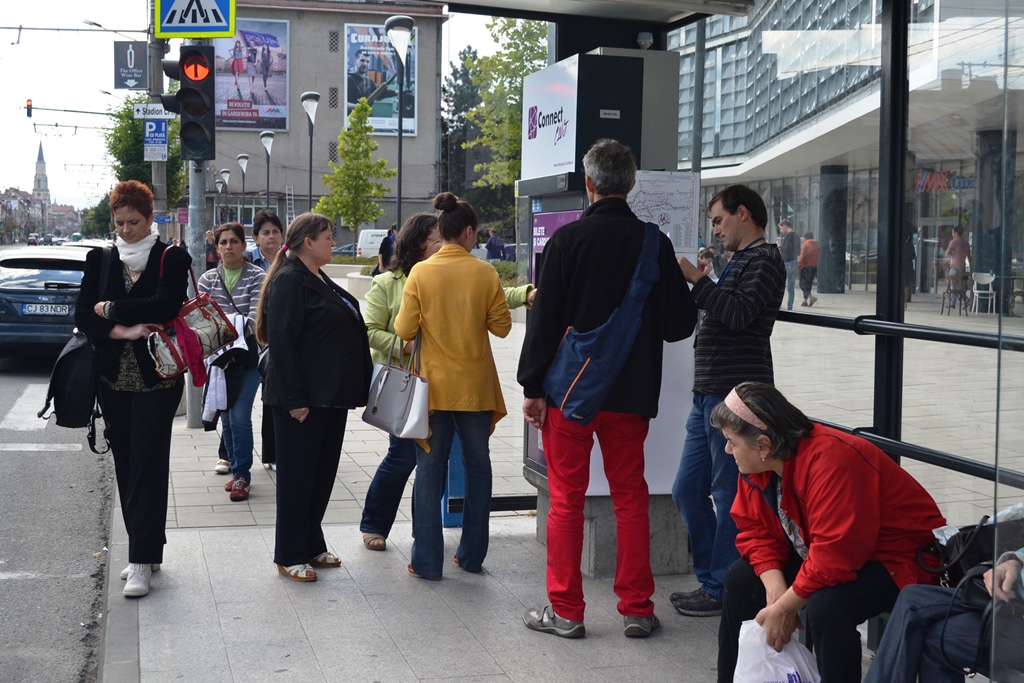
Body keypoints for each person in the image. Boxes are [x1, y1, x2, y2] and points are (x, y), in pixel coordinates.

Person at [518, 138, 699, 640]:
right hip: (631, 396)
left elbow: (544, 321)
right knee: (630, 498)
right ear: (632, 185)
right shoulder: (654, 244)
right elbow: (678, 327)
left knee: (566, 500)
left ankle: (567, 612)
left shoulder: (567, 241)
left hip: (571, 396)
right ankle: (637, 608)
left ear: (589, 183)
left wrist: (533, 386)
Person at [713, 382, 947, 683]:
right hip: (827, 551)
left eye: (731, 442)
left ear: (763, 446)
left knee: (828, 606)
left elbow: (836, 553)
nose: (727, 450)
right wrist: (776, 591)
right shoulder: (758, 466)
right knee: (739, 581)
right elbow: (756, 530)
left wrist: (785, 607)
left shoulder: (831, 459)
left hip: (899, 559)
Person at [360, 214, 534, 551]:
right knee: (403, 459)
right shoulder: (388, 283)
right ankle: (375, 524)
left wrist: (525, 293)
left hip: (441, 388)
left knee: (433, 464)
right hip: (409, 386)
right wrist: (407, 346)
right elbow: (371, 331)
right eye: (437, 240)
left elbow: (489, 294)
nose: (444, 245)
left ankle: (424, 542)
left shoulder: (453, 272)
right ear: (419, 243)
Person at [671, 184, 786, 617]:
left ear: (743, 213)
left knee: (725, 490)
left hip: (735, 397)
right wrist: (710, 281)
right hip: (710, 395)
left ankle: (720, 587)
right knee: (687, 488)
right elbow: (730, 306)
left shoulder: (765, 260)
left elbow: (738, 314)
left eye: (719, 220)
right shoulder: (740, 261)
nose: (715, 230)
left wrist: (698, 280)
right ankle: (712, 580)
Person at [75, 180, 190, 598]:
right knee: (125, 464)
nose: (125, 230)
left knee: (148, 463)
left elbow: (165, 305)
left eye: (134, 222)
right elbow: (83, 315)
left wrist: (110, 308)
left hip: (159, 378)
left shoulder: (171, 257)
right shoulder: (101, 259)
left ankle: (140, 559)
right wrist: (122, 328)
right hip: (112, 379)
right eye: (120, 222)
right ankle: (148, 548)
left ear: (150, 218)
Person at [393, 192, 511, 580]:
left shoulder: (421, 273)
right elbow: (502, 327)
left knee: (429, 471)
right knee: (478, 468)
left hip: (432, 391)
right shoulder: (485, 272)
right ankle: (472, 556)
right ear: (469, 232)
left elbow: (404, 329)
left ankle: (427, 562)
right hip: (475, 389)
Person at [256, 213, 372, 582]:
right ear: (308, 242)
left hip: (330, 396)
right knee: (297, 479)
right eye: (328, 236)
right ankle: (290, 553)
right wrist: (295, 399)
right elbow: (283, 342)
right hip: (301, 400)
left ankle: (311, 541)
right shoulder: (290, 279)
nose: (333, 242)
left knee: (320, 476)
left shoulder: (317, 276)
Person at [863, 548, 1024, 683]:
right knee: (912, 599)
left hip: (1015, 613)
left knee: (930, 630)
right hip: (1011, 598)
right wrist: (1013, 562)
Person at [198, 222, 266, 502]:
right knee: (225, 415)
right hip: (218, 360)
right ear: (217, 248)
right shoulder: (207, 280)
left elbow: (254, 318)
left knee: (239, 415)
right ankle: (237, 467)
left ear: (244, 245)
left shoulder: (257, 276)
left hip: (248, 356)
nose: (228, 247)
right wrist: (222, 343)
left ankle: (242, 475)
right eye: (223, 242)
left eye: (234, 241)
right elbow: (203, 320)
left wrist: (230, 337)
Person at [247, 210, 284, 471]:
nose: (271, 237)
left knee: (272, 397)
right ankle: (228, 453)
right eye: (265, 232)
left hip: (279, 337)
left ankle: (272, 453)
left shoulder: (290, 260)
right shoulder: (247, 260)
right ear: (256, 237)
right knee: (240, 400)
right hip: (251, 337)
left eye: (275, 232)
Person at [347, 48, 396, 113]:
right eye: (362, 60)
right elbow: (341, 102)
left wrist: (398, 92)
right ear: (355, 61)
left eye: (367, 61)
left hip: (364, 116)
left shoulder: (368, 81)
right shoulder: (347, 79)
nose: (365, 64)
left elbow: (379, 93)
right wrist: (358, 107)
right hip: (350, 117)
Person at [945, 225, 971, 309]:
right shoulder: (966, 243)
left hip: (954, 267)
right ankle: (965, 300)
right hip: (963, 267)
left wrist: (953, 252)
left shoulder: (953, 242)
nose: (952, 234)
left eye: (953, 232)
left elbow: (947, 252)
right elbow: (968, 255)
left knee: (953, 286)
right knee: (959, 287)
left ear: (956, 233)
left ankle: (954, 303)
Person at [778, 219, 799, 311]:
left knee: (779, 284)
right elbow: (798, 251)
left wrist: (779, 246)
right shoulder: (797, 236)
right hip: (794, 262)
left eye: (781, 228)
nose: (780, 231)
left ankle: (778, 305)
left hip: (787, 263)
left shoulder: (788, 237)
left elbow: (786, 250)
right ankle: (790, 307)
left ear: (785, 226)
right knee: (791, 286)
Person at [798, 230, 819, 307]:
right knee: (808, 284)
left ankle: (811, 297)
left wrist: (799, 266)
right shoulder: (817, 244)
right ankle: (805, 301)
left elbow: (802, 256)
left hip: (805, 266)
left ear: (806, 237)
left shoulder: (805, 245)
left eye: (803, 238)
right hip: (814, 266)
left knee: (802, 284)